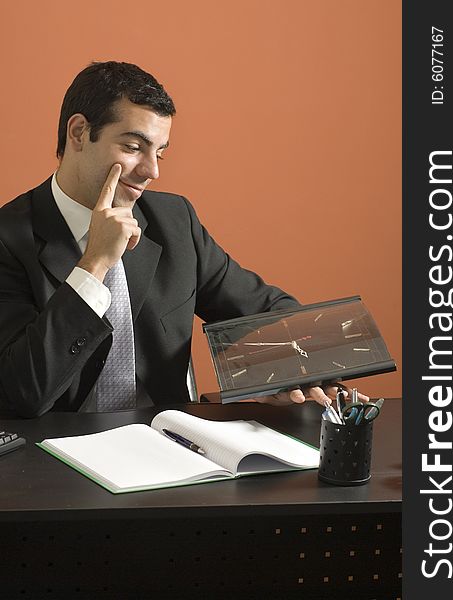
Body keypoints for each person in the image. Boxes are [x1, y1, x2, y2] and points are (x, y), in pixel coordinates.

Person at [0, 61, 368, 417]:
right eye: (132, 148)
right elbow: (22, 393)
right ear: (79, 132)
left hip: (169, 449)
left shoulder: (174, 221)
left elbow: (267, 313)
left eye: (159, 152)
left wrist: (289, 373)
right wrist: (94, 264)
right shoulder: (7, 238)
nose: (152, 171)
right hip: (51, 459)